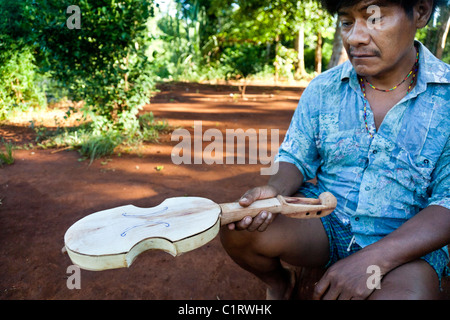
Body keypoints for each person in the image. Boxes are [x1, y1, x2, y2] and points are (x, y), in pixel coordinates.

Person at [220, 0, 450, 300]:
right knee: (240, 228)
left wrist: (374, 259)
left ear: (420, 11)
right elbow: (294, 156)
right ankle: (280, 282)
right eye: (346, 22)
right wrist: (274, 190)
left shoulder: (446, 98)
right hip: (328, 221)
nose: (355, 37)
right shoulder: (323, 89)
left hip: (407, 243)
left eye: (374, 18)